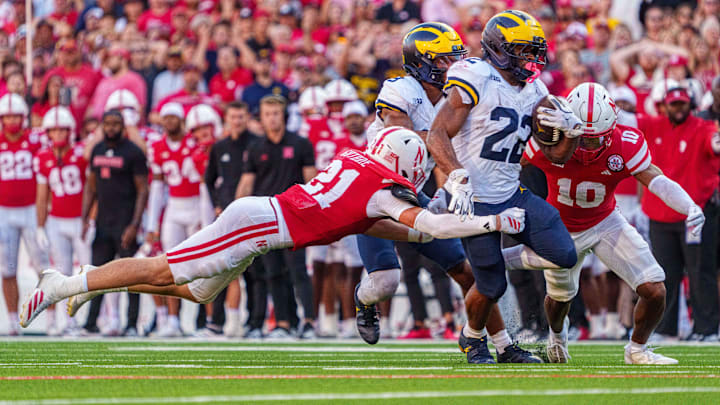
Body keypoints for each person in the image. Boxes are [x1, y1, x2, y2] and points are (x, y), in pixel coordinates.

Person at [20, 127, 527, 332]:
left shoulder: (364, 170)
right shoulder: (380, 186)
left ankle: (91, 278)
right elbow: (431, 222)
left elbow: (410, 231)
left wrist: (477, 241)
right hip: (259, 224)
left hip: (263, 224)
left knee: (195, 292)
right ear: (403, 162)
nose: (413, 184)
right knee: (163, 268)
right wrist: (492, 220)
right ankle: (63, 284)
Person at [355, 22, 538, 363]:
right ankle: (365, 303)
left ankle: (501, 345)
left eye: (454, 59)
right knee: (384, 283)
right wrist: (446, 145)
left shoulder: (456, 95)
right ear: (420, 61)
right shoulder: (401, 88)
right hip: (374, 195)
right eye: (442, 61)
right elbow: (403, 136)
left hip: (412, 192)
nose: (450, 67)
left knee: (467, 272)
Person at [426, 11, 580, 364]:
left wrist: (571, 132)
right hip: (474, 197)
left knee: (565, 254)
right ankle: (474, 339)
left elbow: (556, 156)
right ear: (497, 48)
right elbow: (437, 134)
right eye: (522, 51)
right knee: (492, 286)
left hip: (512, 193)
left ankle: (495, 266)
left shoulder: (536, 90)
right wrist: (456, 176)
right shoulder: (475, 76)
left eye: (533, 51)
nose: (530, 59)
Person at [515, 82, 705, 363]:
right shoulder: (548, 142)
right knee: (560, 297)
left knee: (654, 287)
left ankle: (637, 350)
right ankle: (557, 336)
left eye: (597, 137)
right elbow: (506, 167)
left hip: (605, 222)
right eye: (583, 136)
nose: (590, 144)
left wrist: (688, 205)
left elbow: (656, 179)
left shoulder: (625, 142)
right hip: (561, 228)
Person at [638, 86, 720, 342]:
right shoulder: (654, 126)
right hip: (659, 215)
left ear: (691, 104)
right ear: (665, 106)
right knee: (664, 274)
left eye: (682, 104)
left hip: (694, 215)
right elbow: (627, 120)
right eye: (674, 104)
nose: (678, 108)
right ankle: (665, 329)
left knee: (700, 271)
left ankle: (706, 329)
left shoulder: (703, 127)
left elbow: (714, 142)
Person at [235, 95, 317, 339]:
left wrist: (313, 214)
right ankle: (283, 323)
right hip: (266, 217)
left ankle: (309, 322)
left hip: (294, 216)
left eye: (276, 113)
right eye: (267, 113)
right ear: (261, 117)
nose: (272, 118)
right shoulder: (255, 147)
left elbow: (311, 181)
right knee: (273, 272)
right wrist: (237, 212)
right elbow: (246, 184)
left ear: (284, 115)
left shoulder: (301, 144)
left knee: (298, 271)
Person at [78, 110, 148, 336]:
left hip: (125, 222)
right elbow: (91, 186)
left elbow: (143, 190)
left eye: (115, 124)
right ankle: (91, 322)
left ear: (123, 126)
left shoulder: (134, 152)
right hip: (102, 222)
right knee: (97, 274)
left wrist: (134, 224)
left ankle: (131, 323)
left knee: (131, 276)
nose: (111, 128)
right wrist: (85, 217)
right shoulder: (97, 150)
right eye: (107, 123)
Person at [145, 102, 208, 337]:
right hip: (174, 207)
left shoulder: (194, 144)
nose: (169, 122)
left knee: (204, 265)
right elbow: (157, 187)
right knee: (171, 265)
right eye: (166, 118)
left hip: (195, 205)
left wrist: (206, 217)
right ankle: (172, 320)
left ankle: (205, 322)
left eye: (173, 117)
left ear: (181, 120)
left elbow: (204, 183)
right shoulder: (157, 146)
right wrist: (152, 224)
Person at [204, 101, 259, 337]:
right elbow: (209, 179)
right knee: (221, 269)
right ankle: (218, 321)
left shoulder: (256, 144)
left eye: (241, 117)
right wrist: (217, 203)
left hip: (252, 215)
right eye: (233, 117)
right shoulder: (219, 147)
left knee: (254, 273)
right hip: (226, 215)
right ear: (226, 119)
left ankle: (253, 321)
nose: (237, 121)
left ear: (247, 118)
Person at [34, 106, 88, 336]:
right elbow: (42, 194)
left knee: (89, 270)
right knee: (62, 272)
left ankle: (99, 318)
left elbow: (91, 189)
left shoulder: (82, 153)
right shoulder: (43, 157)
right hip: (56, 220)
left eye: (62, 130)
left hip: (79, 220)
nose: (58, 135)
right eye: (53, 131)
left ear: (70, 131)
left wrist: (90, 218)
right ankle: (63, 321)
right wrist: (39, 225)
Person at [0, 93, 50, 336]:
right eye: (7, 116)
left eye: (15, 115)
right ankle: (11, 320)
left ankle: (52, 319)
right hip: (3, 211)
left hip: (31, 209)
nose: (11, 120)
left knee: (44, 266)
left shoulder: (36, 139)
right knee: (7, 268)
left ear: (23, 117)